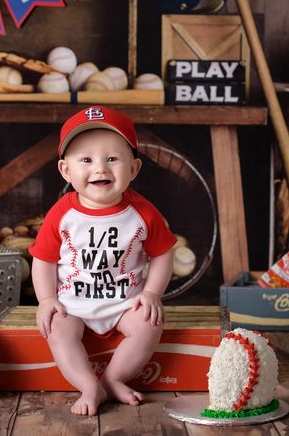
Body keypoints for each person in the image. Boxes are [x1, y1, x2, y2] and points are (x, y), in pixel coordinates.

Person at [29, 106, 176, 416]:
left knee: (150, 324)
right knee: (57, 329)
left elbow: (163, 253)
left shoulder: (143, 213)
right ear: (65, 171)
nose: (100, 168)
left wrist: (151, 294)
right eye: (86, 160)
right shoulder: (62, 214)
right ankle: (88, 385)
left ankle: (112, 380)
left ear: (134, 169)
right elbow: (43, 259)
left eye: (112, 159)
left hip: (125, 305)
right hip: (73, 305)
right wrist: (46, 299)